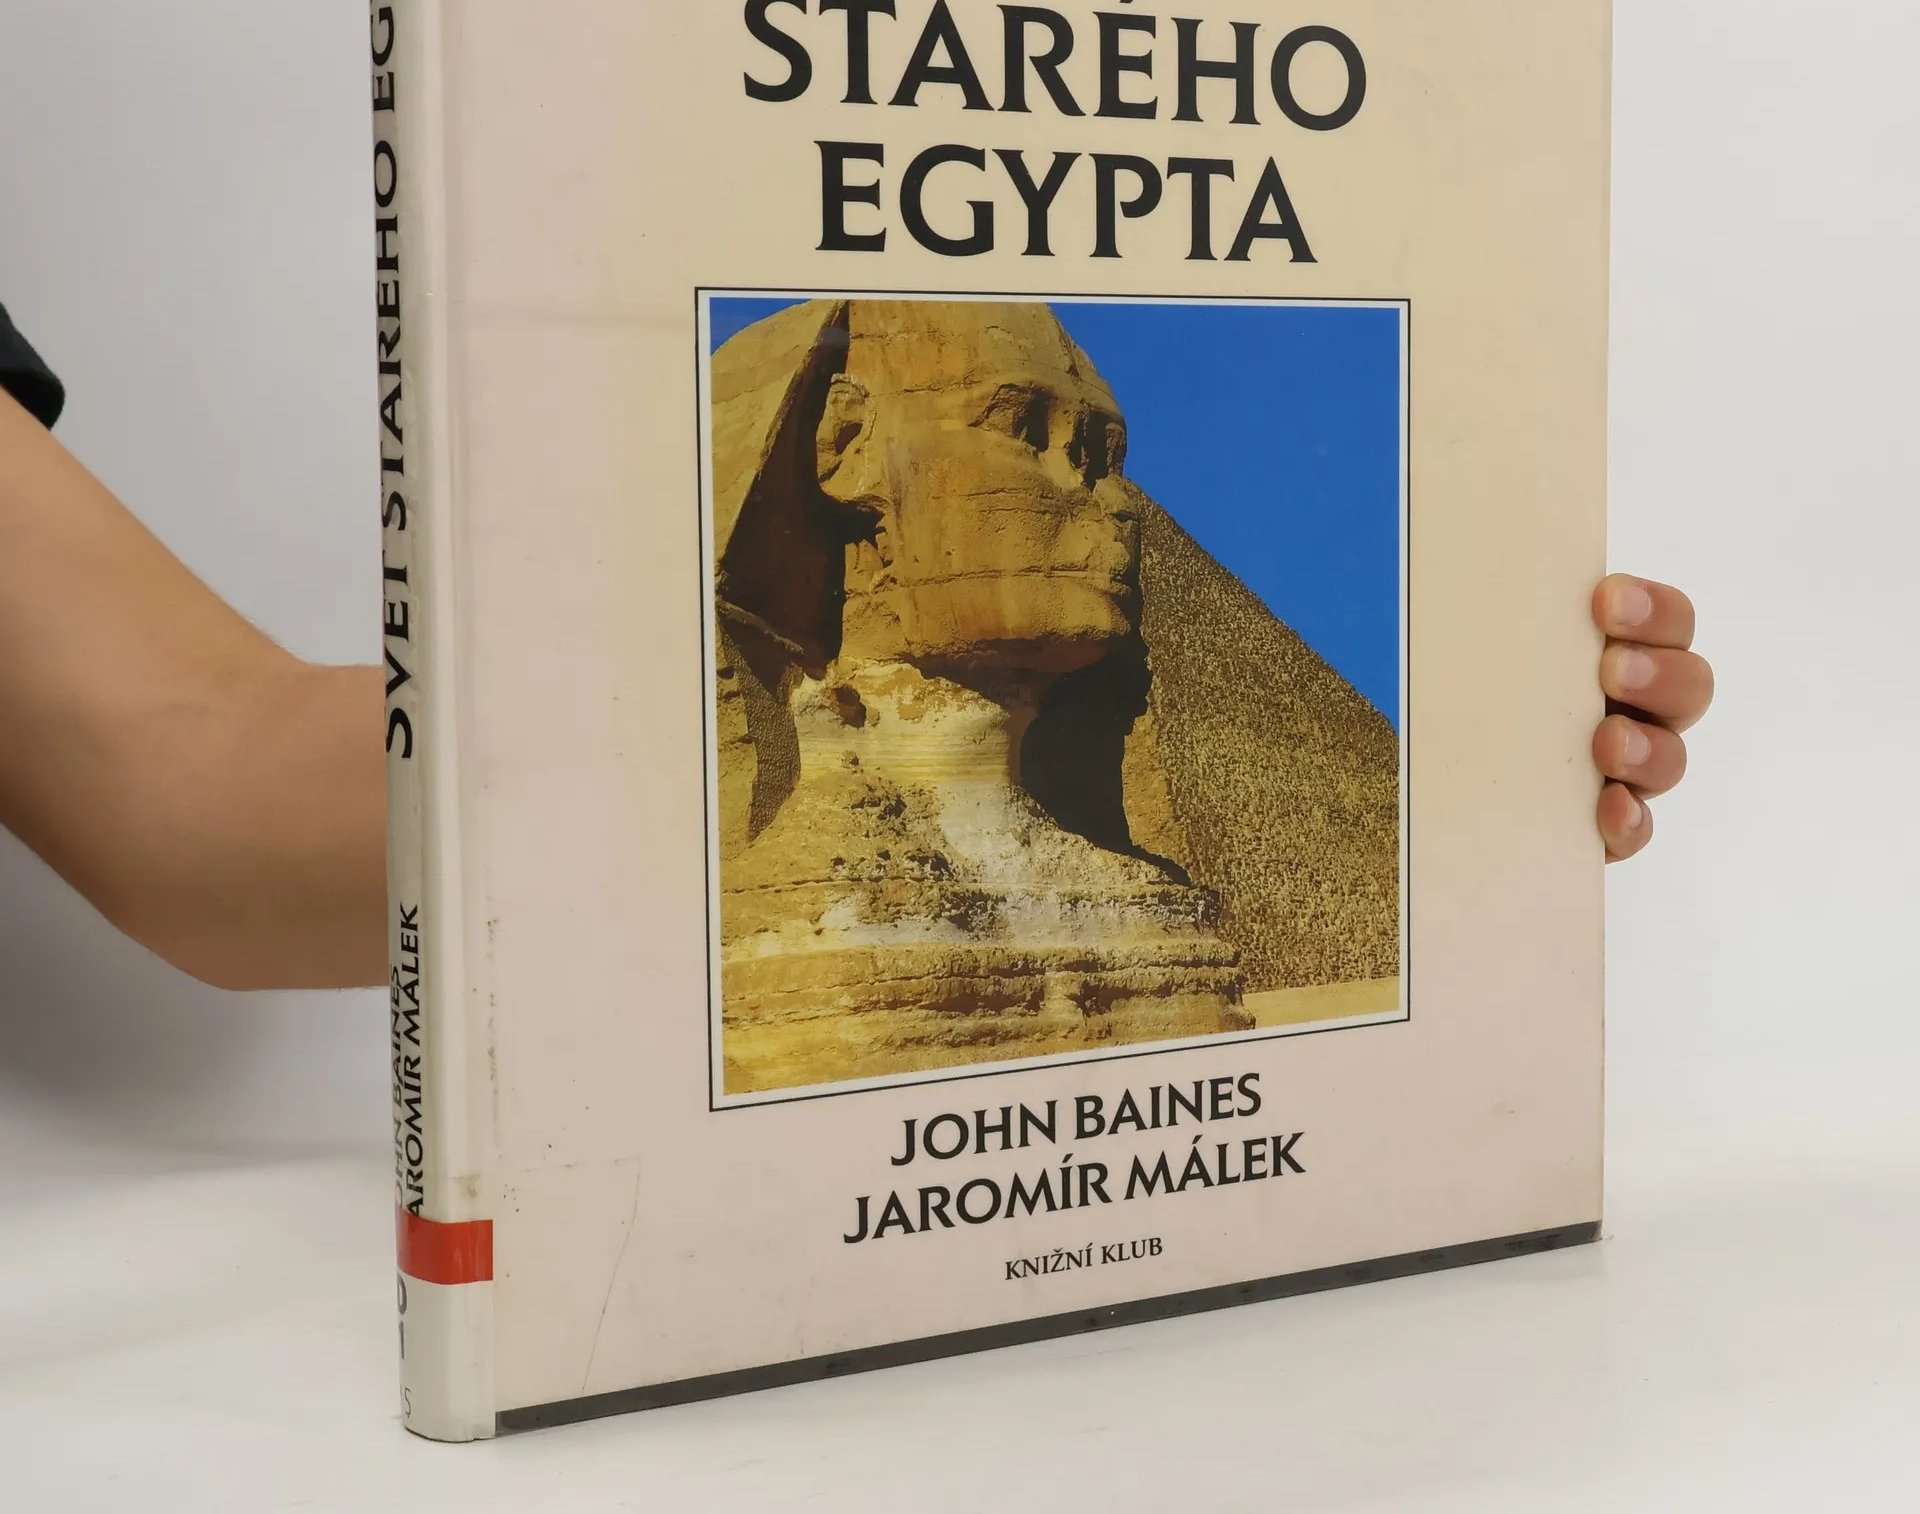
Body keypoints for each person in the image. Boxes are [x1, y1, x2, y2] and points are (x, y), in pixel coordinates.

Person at [0, 307, 1713, 992]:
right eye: (1031, 431)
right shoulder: (753, 899)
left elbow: (185, 776)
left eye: (1108, 454)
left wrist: (1482, 794)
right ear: (834, 454)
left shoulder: (1166, 900)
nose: (1106, 502)